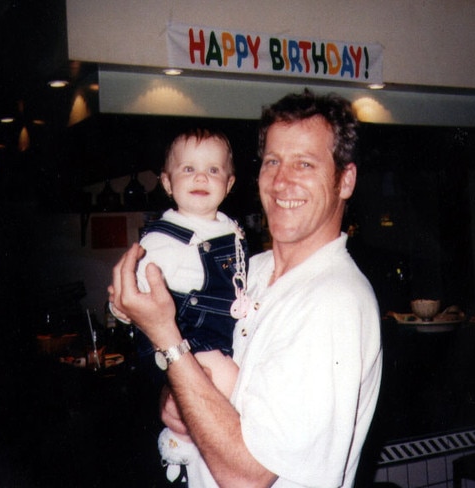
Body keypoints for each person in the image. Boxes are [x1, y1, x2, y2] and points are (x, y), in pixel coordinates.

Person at [110, 89, 383, 487]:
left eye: (304, 164)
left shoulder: (333, 300)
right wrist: (174, 395)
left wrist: (167, 339)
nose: (281, 180)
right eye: (272, 161)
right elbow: (196, 382)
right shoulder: (249, 269)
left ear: (346, 181)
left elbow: (247, 476)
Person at [111, 128, 249, 483]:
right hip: (188, 338)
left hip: (221, 336)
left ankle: (184, 440)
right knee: (236, 387)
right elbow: (131, 291)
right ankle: (180, 442)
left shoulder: (230, 229)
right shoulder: (161, 239)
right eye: (188, 169)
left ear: (229, 184)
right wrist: (122, 308)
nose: (201, 177)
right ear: (168, 183)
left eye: (213, 170)